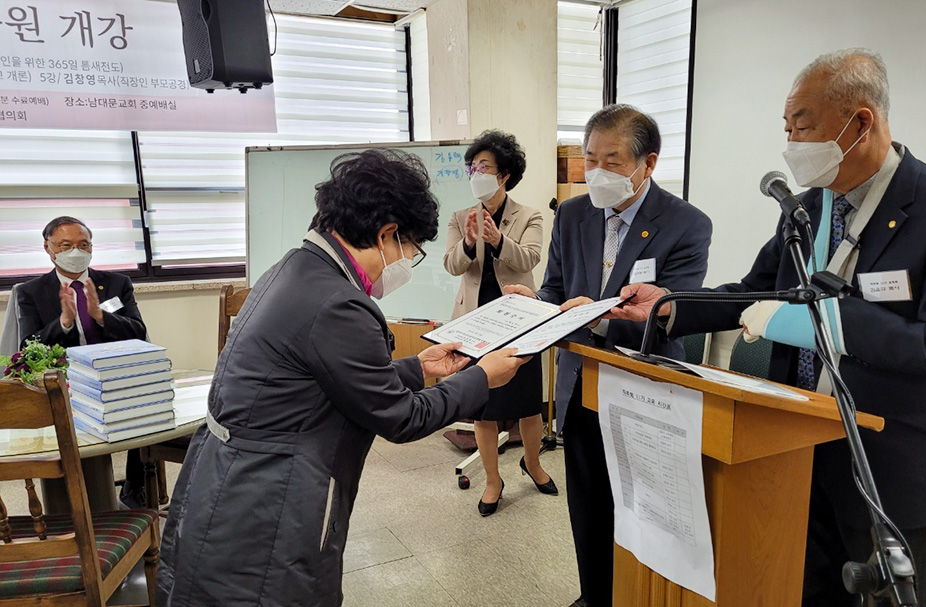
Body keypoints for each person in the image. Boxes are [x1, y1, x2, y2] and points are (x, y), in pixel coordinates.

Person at [613, 49, 926, 607]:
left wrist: (826, 322)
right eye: (786, 128)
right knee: (807, 591)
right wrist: (670, 306)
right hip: (794, 446)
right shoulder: (809, 207)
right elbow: (755, 290)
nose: (791, 143)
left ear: (860, 122)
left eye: (803, 126)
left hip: (892, 464)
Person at [157, 149, 529, 607]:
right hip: (268, 495)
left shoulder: (295, 268)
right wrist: (482, 377)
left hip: (237, 477)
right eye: (410, 250)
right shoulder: (339, 302)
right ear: (386, 234)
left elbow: (329, 379)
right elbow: (401, 419)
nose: (406, 262)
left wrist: (419, 367)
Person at [506, 104, 712, 607]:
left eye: (613, 161)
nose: (597, 172)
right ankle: (594, 593)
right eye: (589, 159)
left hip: (646, 386)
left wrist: (596, 315)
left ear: (649, 163)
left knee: (645, 506)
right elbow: (556, 289)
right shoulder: (574, 214)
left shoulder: (686, 224)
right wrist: (537, 309)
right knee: (589, 500)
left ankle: (639, 595)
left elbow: (672, 310)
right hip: (582, 383)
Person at [443, 130, 554, 516]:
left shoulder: (529, 215)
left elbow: (531, 259)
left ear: (504, 174)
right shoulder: (460, 218)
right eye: (472, 167)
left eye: (484, 167)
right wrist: (472, 243)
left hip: (519, 322)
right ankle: (493, 481)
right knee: (484, 407)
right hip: (475, 326)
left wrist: (499, 241)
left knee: (527, 405)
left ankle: (534, 464)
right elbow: (452, 264)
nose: (476, 173)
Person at [17, 216, 150, 508]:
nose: (76, 251)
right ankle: (69, 496)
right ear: (49, 248)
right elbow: (27, 348)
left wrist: (101, 316)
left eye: (83, 244)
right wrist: (64, 321)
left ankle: (134, 486)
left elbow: (139, 331)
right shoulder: (30, 292)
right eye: (66, 245)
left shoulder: (116, 283)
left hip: (112, 374)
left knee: (145, 408)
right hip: (64, 379)